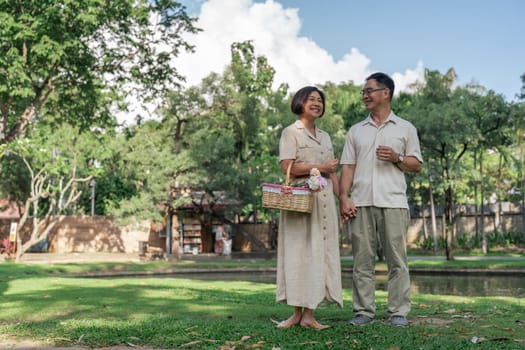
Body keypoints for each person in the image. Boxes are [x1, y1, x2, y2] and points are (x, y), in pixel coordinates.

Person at [339, 72, 423, 327]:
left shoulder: (406, 128)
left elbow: (416, 164)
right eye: (363, 92)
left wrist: (397, 157)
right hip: (361, 203)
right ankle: (363, 312)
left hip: (394, 203)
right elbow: (348, 168)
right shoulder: (356, 131)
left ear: (385, 93)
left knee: (397, 260)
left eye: (369, 91)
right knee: (362, 260)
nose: (364, 95)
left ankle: (398, 312)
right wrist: (344, 197)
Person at [275, 86, 343, 330]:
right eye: (311, 99)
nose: (317, 103)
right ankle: (295, 312)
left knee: (318, 254)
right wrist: (320, 165)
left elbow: (332, 172)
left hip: (324, 202)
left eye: (320, 100)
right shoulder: (290, 132)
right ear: (300, 103)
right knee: (297, 254)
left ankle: (309, 315)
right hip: (299, 201)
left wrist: (343, 199)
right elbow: (287, 167)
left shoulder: (325, 137)